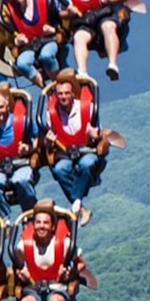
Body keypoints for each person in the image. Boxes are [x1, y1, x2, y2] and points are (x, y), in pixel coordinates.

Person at [3, 200, 85, 301]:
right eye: (38, 223)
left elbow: (81, 264)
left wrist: (70, 273)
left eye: (46, 223)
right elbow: (17, 265)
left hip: (58, 287)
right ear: (33, 225)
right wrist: (22, 275)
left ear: (53, 227)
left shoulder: (66, 244)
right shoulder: (23, 246)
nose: (41, 226)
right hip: (34, 287)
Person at [41, 70, 104, 224]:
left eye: (67, 93)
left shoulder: (87, 108)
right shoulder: (52, 113)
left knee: (87, 164)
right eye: (60, 94)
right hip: (65, 152)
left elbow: (98, 133)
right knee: (60, 169)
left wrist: (95, 134)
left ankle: (75, 204)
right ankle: (80, 206)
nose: (63, 97)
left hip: (86, 149)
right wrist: (49, 141)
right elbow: (49, 139)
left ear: (73, 94)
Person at [0, 87, 39, 218]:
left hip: (20, 163)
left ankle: (30, 214)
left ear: (8, 107)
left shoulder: (23, 121)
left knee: (22, 180)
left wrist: (29, 148)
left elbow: (37, 139)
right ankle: (4, 217)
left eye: (1, 107)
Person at [1, 0, 62, 86]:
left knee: (46, 55)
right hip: (29, 45)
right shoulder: (13, 12)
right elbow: (12, 33)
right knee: (22, 63)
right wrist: (17, 40)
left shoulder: (43, 2)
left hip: (47, 39)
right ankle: (43, 86)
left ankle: (57, 82)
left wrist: (52, 30)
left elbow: (58, 22)